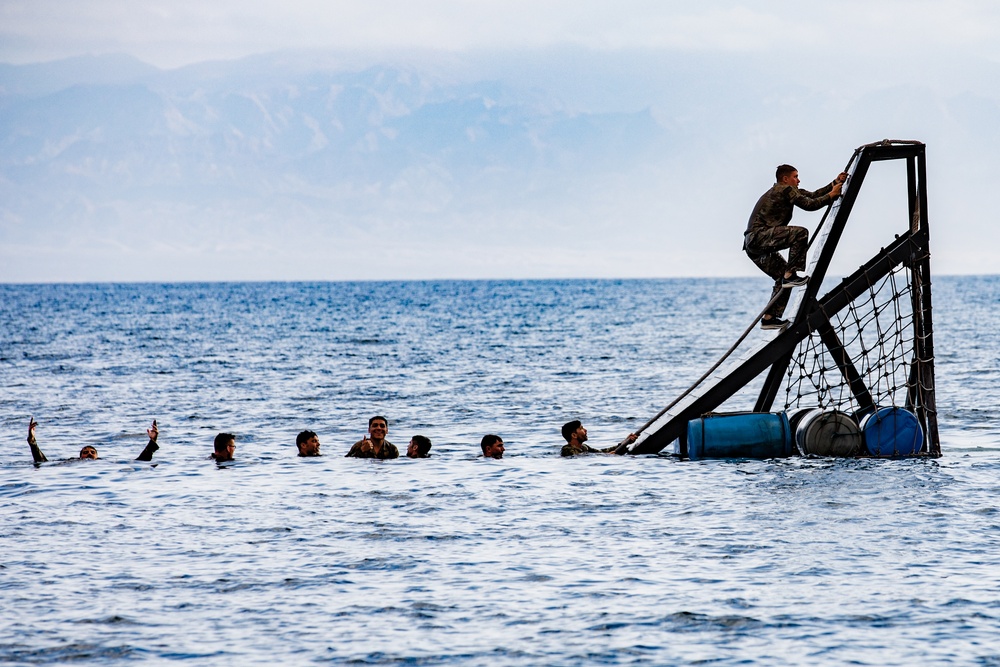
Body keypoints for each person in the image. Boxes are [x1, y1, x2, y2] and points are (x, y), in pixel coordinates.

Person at [744, 164, 847, 330]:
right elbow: (810, 205)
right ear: (785, 179)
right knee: (800, 234)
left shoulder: (788, 191)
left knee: (782, 279)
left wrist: (835, 183)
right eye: (795, 176)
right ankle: (791, 273)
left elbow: (812, 195)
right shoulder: (785, 190)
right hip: (759, 237)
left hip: (752, 245)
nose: (798, 180)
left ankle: (769, 318)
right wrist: (831, 196)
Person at [26, 417, 159, 463]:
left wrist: (152, 441)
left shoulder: (106, 463)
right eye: (85, 452)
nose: (89, 454)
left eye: (92, 452)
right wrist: (32, 442)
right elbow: (42, 462)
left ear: (97, 456)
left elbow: (141, 462)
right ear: (80, 457)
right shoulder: (71, 462)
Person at [560, 420, 636, 457]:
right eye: (581, 429)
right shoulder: (567, 449)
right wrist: (607, 456)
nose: (585, 430)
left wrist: (624, 442)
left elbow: (602, 452)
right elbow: (579, 457)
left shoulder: (584, 447)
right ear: (574, 435)